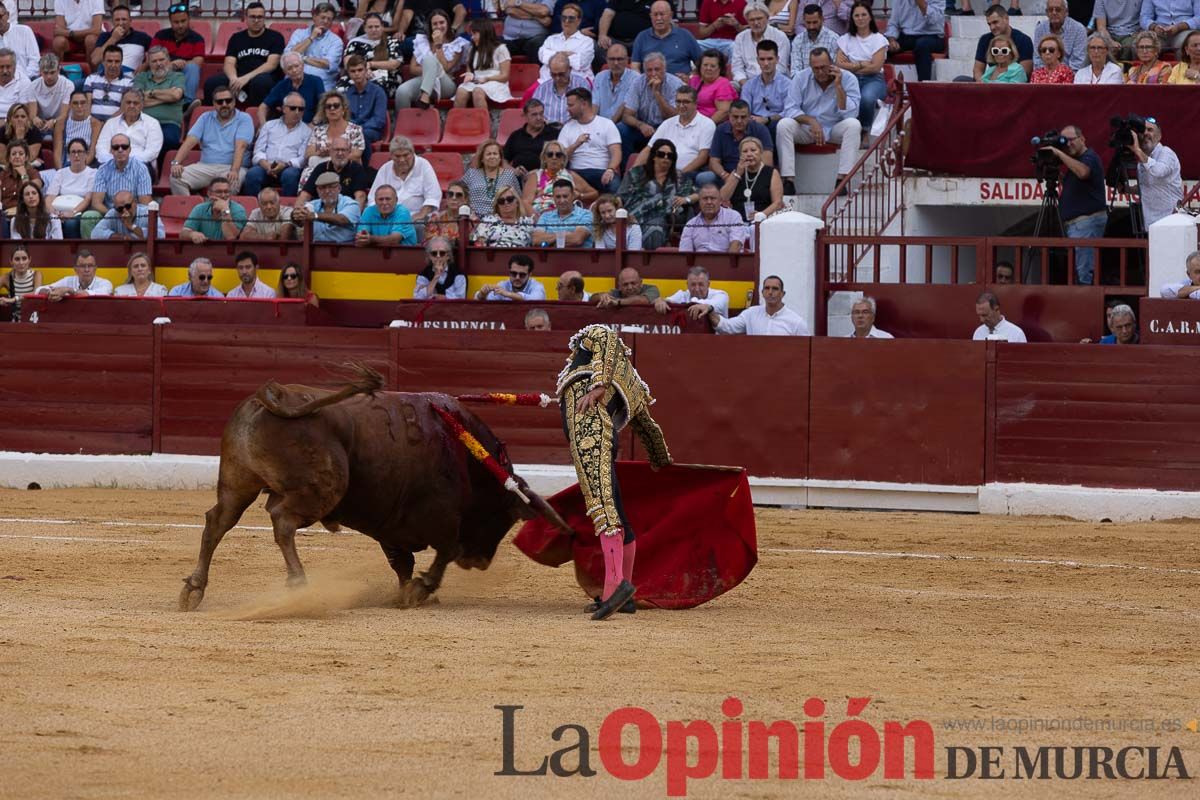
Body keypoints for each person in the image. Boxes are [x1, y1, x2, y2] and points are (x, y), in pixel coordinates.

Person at [556, 323, 671, 619]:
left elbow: (605, 336)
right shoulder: (631, 381)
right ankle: (624, 594)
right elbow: (648, 426)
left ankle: (615, 587)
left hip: (588, 426)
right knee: (614, 507)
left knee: (601, 505)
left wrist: (599, 385)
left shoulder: (592, 337)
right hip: (605, 430)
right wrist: (661, 460)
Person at [776, 48, 861, 194]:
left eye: (823, 67)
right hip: (808, 129)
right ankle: (788, 180)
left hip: (835, 128)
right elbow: (790, 109)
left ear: (832, 64)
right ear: (810, 67)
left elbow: (851, 113)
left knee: (854, 125)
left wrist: (838, 86)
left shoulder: (848, 78)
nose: (820, 72)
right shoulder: (801, 78)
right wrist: (811, 121)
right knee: (784, 125)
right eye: (816, 68)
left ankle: (842, 180)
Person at [1037, 123, 1106, 285]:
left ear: (1082, 139)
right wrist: (1055, 173)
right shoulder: (1076, 161)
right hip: (1078, 224)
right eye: (1064, 141)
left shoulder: (1089, 157)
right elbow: (1074, 183)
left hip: (1086, 222)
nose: (1068, 144)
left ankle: (1086, 302)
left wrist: (1059, 153)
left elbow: (1083, 173)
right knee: (1078, 267)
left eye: (1071, 140)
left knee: (1084, 270)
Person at [169, 87, 253, 195]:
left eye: (228, 100)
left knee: (230, 182)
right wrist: (176, 163)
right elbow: (190, 141)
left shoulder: (244, 118)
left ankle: (218, 210)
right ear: (214, 103)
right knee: (176, 177)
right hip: (205, 166)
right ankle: (192, 211)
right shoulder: (205, 117)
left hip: (231, 167)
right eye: (219, 101)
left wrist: (234, 170)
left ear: (234, 101)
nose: (224, 104)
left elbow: (241, 146)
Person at [619, 138, 695, 249]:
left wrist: (686, 199)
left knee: (656, 226)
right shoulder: (636, 173)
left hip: (665, 220)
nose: (665, 158)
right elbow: (620, 197)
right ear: (654, 156)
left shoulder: (679, 177)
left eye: (670, 156)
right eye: (661, 154)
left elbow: (698, 194)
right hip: (637, 218)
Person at [205, 3, 284, 108]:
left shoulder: (275, 37)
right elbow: (229, 63)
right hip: (239, 77)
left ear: (264, 18)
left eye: (259, 17)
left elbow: (271, 65)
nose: (256, 20)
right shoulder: (236, 38)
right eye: (252, 17)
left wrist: (246, 78)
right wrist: (233, 79)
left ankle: (257, 118)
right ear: (245, 18)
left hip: (264, 77)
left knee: (260, 82)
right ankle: (211, 119)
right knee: (212, 83)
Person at [242, 93, 311, 199]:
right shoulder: (269, 126)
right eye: (293, 108)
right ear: (283, 109)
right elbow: (258, 151)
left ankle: (288, 210)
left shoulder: (306, 131)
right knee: (252, 174)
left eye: (301, 109)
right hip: (266, 166)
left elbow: (302, 158)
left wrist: (285, 164)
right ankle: (254, 210)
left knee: (290, 176)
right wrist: (266, 165)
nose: (297, 112)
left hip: (289, 168)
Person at [395, 9, 468, 109]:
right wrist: (430, 69)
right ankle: (404, 123)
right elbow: (412, 68)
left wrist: (439, 46)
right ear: (430, 26)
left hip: (445, 83)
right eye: (435, 24)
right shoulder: (422, 41)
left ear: (448, 23)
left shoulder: (457, 44)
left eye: (442, 22)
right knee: (401, 91)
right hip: (424, 80)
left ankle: (425, 96)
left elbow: (446, 68)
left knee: (430, 60)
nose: (438, 26)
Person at [639, 86, 715, 180]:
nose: (681, 105)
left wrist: (678, 174)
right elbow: (648, 149)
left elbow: (703, 157)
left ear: (695, 103)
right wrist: (632, 172)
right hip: (661, 172)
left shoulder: (707, 124)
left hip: (689, 173)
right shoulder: (667, 123)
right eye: (678, 102)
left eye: (686, 102)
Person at [84, 133, 151, 238]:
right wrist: (117, 214)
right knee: (88, 217)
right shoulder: (102, 170)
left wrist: (128, 214)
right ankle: (89, 253)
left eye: (124, 147)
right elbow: (96, 203)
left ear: (130, 149)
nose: (120, 150)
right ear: (111, 150)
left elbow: (145, 203)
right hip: (110, 214)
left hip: (134, 214)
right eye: (116, 147)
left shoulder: (141, 169)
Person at [617, 52, 684, 157]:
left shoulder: (676, 84)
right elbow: (626, 116)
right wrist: (640, 125)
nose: (653, 74)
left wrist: (657, 93)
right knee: (622, 128)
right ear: (644, 71)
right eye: (649, 70)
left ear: (664, 69)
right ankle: (627, 169)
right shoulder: (638, 82)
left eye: (657, 69)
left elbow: (674, 116)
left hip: (668, 129)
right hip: (644, 127)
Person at [557, 87, 623, 194]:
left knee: (615, 184)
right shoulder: (567, 128)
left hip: (601, 171)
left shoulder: (606, 124)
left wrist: (610, 169)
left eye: (571, 105)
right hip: (576, 173)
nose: (567, 109)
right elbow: (560, 159)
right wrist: (576, 144)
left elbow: (616, 152)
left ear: (583, 104)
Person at [837, 1, 888, 135]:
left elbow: (875, 68)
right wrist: (862, 64)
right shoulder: (845, 39)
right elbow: (839, 64)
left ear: (870, 16)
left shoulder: (879, 39)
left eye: (864, 14)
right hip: (849, 79)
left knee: (867, 98)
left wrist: (851, 65)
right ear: (852, 18)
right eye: (857, 15)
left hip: (874, 80)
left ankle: (864, 131)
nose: (860, 18)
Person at [368, 135, 442, 223]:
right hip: (388, 218)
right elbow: (373, 199)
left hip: (416, 219)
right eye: (397, 156)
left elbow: (433, 197)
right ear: (391, 155)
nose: (402, 160)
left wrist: (420, 215)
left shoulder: (424, 165)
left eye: (406, 155)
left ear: (412, 152)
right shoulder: (385, 169)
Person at [299, 91, 365, 188]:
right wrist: (320, 152)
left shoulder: (355, 130)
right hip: (316, 171)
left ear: (343, 109)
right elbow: (308, 153)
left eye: (336, 105)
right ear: (324, 111)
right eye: (328, 106)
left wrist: (330, 154)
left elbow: (356, 155)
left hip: (344, 170)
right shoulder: (318, 130)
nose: (332, 109)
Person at [709, 275, 810, 334]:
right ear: (762, 293)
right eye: (767, 288)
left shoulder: (796, 322)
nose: (770, 292)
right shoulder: (751, 314)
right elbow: (727, 326)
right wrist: (709, 310)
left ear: (782, 294)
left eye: (775, 289)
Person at [524, 140, 597, 217]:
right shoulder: (535, 176)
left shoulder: (571, 175)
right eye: (550, 154)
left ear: (563, 159)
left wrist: (580, 196)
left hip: (567, 215)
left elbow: (594, 194)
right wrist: (538, 220)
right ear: (544, 158)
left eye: (558, 155)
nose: (554, 157)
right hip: (541, 215)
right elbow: (525, 202)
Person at [1131, 118, 1182, 229]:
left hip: (1171, 223)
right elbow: (1147, 186)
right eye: (1143, 130)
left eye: (1150, 130)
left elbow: (1158, 171)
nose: (1145, 133)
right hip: (1152, 225)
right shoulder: (1142, 161)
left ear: (1159, 136)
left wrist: (1137, 150)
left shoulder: (1166, 152)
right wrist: (1126, 189)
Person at [339, 13, 405, 99]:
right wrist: (363, 72)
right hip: (358, 74)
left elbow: (394, 64)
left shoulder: (392, 42)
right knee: (340, 90)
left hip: (386, 77)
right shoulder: (355, 42)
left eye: (377, 26)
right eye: (370, 27)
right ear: (364, 28)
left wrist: (370, 64)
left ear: (382, 27)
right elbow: (348, 63)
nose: (374, 30)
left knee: (373, 89)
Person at [151, 4, 205, 107]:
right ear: (170, 22)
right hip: (163, 72)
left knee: (193, 68)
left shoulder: (197, 39)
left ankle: (186, 104)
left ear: (189, 19)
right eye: (176, 22)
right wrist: (170, 65)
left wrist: (180, 64)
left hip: (184, 75)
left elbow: (198, 62)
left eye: (183, 21)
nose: (180, 25)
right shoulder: (160, 36)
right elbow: (152, 58)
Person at [134, 46, 186, 153]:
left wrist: (152, 93)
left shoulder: (177, 76)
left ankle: (160, 169)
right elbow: (137, 100)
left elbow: (176, 96)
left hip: (169, 123)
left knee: (168, 140)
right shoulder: (142, 77)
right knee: (135, 140)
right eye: (154, 61)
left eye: (161, 59)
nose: (158, 64)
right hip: (143, 122)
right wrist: (167, 97)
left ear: (168, 60)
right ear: (149, 63)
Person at [720, 135, 783, 220]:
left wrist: (761, 215)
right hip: (738, 222)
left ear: (761, 153)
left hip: (763, 220)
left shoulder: (771, 173)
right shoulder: (736, 172)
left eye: (753, 150)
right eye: (745, 151)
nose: (749, 154)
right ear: (740, 155)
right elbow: (722, 198)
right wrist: (738, 174)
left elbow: (778, 203)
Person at [632, 1, 702, 76]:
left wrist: (690, 78)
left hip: (680, 85)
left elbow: (701, 63)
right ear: (650, 16)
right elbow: (635, 66)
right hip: (650, 84)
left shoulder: (685, 35)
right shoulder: (642, 37)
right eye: (655, 15)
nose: (658, 18)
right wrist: (641, 84)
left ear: (671, 15)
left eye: (662, 14)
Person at [284, 2, 343, 92]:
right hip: (294, 82)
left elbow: (327, 64)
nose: (326, 21)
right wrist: (311, 38)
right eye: (323, 17)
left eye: (329, 19)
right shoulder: (299, 33)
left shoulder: (336, 41)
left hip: (321, 85)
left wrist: (302, 58)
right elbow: (288, 56)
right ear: (314, 17)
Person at [456, 17, 513, 108]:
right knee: (460, 91)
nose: (472, 37)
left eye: (474, 34)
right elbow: (469, 69)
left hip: (496, 82)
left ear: (484, 33)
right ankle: (458, 121)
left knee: (478, 92)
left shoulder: (501, 49)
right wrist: (469, 74)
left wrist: (487, 79)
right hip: (477, 81)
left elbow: (505, 76)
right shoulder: (472, 49)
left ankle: (482, 122)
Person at [95, 90, 163, 168]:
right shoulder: (111, 123)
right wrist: (113, 162)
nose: (131, 106)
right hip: (111, 165)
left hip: (140, 166)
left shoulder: (152, 123)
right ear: (122, 104)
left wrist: (128, 162)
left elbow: (152, 152)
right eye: (128, 102)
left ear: (142, 105)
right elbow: (101, 148)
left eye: (135, 103)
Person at [884, 0, 946, 82]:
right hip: (908, 35)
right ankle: (884, 85)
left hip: (932, 35)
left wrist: (920, 2)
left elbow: (933, 20)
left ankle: (923, 87)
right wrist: (892, 40)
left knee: (922, 45)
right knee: (882, 44)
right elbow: (893, 23)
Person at [46, 137, 95, 238]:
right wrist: (54, 213)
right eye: (73, 152)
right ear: (68, 155)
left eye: (80, 152)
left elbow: (88, 199)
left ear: (86, 154)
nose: (76, 155)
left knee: (70, 224)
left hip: (80, 211)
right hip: (58, 211)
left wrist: (72, 213)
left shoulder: (93, 173)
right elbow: (50, 197)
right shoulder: (61, 173)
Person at [293, 170, 361, 243]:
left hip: (345, 249)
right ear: (317, 190)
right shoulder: (313, 204)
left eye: (331, 187)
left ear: (339, 188)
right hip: (315, 249)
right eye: (322, 188)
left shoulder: (351, 204)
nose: (327, 191)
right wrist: (296, 215)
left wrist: (315, 216)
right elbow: (298, 221)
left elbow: (342, 219)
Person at [732, 1, 791, 85]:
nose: (756, 23)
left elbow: (780, 67)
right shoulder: (741, 38)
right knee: (731, 86)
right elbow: (737, 68)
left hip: (774, 81)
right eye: (752, 20)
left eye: (759, 18)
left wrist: (760, 85)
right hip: (747, 82)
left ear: (767, 18)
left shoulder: (780, 36)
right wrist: (746, 84)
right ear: (747, 21)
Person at [742, 41, 791, 141]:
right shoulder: (749, 85)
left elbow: (789, 111)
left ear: (777, 59)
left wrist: (767, 120)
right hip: (755, 121)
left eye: (770, 59)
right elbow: (745, 110)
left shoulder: (787, 84)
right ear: (757, 60)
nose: (766, 63)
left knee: (776, 126)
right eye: (762, 59)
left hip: (776, 122)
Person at [259, 53, 325, 126]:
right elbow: (263, 107)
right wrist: (263, 126)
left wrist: (313, 123)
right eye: (289, 68)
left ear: (302, 66)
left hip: (310, 125)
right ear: (285, 72)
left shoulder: (316, 81)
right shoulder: (281, 85)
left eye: (297, 66)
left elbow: (323, 105)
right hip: (287, 127)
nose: (294, 70)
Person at [680, 183, 748, 252]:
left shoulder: (733, 216)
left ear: (720, 201)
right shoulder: (690, 225)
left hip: (726, 261)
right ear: (699, 202)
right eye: (705, 199)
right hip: (700, 262)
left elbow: (736, 245)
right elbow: (685, 254)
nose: (709, 202)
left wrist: (726, 262)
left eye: (713, 198)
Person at [463, 138, 522, 218]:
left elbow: (518, 199)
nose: (492, 157)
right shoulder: (471, 173)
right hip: (474, 218)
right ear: (482, 158)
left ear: (500, 157)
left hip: (500, 219)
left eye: (495, 154)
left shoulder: (509, 175)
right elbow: (460, 195)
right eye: (488, 154)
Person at [973, 5, 1033, 81]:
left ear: (1006, 19)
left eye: (995, 22)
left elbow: (1025, 73)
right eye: (989, 24)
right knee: (961, 79)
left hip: (1013, 85)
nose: (992, 27)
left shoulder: (1023, 40)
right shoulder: (985, 40)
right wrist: (983, 85)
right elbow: (978, 70)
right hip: (988, 85)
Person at [341, 57, 388, 153]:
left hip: (372, 131)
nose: (357, 73)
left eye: (360, 70)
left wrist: (358, 129)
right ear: (349, 74)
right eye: (353, 71)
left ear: (366, 71)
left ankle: (365, 166)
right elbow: (346, 117)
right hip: (351, 131)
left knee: (363, 135)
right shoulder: (347, 94)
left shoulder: (378, 92)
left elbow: (379, 120)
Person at [539, 2, 595, 82]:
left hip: (576, 83)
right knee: (528, 94)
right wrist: (566, 55)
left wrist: (553, 55)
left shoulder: (587, 41)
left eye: (571, 18)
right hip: (547, 81)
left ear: (578, 21)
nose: (566, 21)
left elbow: (580, 63)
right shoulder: (551, 39)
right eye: (563, 18)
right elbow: (542, 56)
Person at [504, 98, 561, 175]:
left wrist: (539, 173)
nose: (539, 118)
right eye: (534, 114)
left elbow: (561, 160)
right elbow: (503, 160)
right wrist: (513, 171)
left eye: (541, 113)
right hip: (518, 178)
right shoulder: (516, 135)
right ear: (525, 116)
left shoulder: (554, 134)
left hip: (545, 177)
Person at [181, 178, 248, 243]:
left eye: (226, 192)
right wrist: (192, 234)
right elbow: (183, 234)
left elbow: (231, 237)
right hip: (204, 250)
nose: (223, 195)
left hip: (229, 252)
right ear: (209, 194)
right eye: (219, 192)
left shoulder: (239, 210)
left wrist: (225, 210)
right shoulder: (199, 208)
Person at [532, 178, 593, 248]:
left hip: (579, 258)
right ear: (553, 198)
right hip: (550, 258)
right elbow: (536, 240)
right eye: (558, 197)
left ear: (573, 196)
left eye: (565, 196)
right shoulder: (545, 216)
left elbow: (577, 239)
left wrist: (548, 241)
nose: (562, 200)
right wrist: (564, 236)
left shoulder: (586, 214)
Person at [91, 4, 151, 75]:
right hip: (105, 76)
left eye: (124, 19)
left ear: (130, 21)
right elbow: (95, 60)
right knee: (75, 84)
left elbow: (157, 52)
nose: (120, 23)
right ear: (112, 21)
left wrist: (146, 65)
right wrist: (113, 39)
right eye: (117, 20)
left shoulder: (142, 37)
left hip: (129, 78)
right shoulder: (105, 36)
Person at [532, 52, 590, 125]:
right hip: (548, 130)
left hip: (576, 128)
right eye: (553, 74)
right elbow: (533, 111)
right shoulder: (542, 89)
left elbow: (588, 111)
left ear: (570, 69)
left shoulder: (582, 84)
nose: (557, 78)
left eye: (561, 74)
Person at [654, 265, 729, 318]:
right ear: (687, 285)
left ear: (708, 284)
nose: (697, 289)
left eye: (701, 284)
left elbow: (716, 305)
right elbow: (667, 300)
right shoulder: (683, 294)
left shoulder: (721, 295)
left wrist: (701, 305)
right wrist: (660, 300)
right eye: (693, 284)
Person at [89, 188, 166, 240]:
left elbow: (161, 234)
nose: (125, 210)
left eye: (128, 206)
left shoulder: (147, 212)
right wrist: (121, 237)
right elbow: (95, 233)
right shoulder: (113, 213)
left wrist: (132, 226)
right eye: (120, 209)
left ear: (135, 202)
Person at [37, 249, 113, 300]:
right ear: (75, 269)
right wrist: (50, 292)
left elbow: (89, 294)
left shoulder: (105, 283)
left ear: (95, 268)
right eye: (82, 266)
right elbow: (39, 290)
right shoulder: (67, 281)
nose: (87, 270)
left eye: (90, 266)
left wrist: (68, 290)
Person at [82, 47, 133, 124]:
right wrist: (95, 123)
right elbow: (87, 105)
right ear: (103, 62)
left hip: (116, 125)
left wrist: (108, 124)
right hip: (92, 123)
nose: (113, 65)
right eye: (109, 61)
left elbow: (124, 109)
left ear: (121, 62)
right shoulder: (91, 78)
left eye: (117, 61)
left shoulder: (129, 82)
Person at [1031, 0, 1086, 71]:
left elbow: (1078, 62)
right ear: (1046, 13)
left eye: (1058, 9)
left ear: (1066, 12)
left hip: (1069, 77)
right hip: (1045, 76)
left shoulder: (1078, 29)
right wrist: (1047, 76)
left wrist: (1060, 76)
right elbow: (1038, 59)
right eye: (1050, 10)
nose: (1054, 13)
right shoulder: (1040, 29)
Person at [53, 91, 102, 169]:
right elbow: (57, 152)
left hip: (86, 165)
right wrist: (61, 171)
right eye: (75, 103)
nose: (79, 106)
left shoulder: (95, 123)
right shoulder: (62, 123)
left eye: (82, 103)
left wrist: (79, 169)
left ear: (87, 104)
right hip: (66, 164)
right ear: (70, 105)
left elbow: (92, 152)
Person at [592, 44, 636, 127]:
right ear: (606, 60)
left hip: (621, 124)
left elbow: (624, 106)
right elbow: (595, 104)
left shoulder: (635, 78)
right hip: (600, 124)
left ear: (627, 60)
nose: (616, 63)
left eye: (620, 59)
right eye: (612, 59)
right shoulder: (599, 77)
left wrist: (609, 127)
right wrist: (592, 125)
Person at [29, 56, 72, 140]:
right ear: (40, 72)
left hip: (60, 122)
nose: (49, 76)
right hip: (41, 123)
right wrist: (35, 119)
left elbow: (64, 114)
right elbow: (32, 114)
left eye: (52, 72)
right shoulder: (33, 86)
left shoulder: (68, 85)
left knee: (61, 124)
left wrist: (54, 121)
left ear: (58, 71)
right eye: (45, 73)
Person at [690, 50, 738, 124]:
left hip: (711, 125)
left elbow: (723, 112)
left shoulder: (723, 84)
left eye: (713, 66)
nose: (708, 68)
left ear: (720, 68)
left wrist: (704, 126)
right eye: (705, 65)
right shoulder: (694, 80)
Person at [792, 3, 840, 77]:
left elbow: (833, 69)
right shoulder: (798, 40)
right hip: (803, 84)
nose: (811, 27)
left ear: (822, 20)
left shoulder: (834, 39)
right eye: (808, 23)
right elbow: (795, 71)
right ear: (803, 21)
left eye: (815, 22)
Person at [475, 253, 547, 300]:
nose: (517, 277)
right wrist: (482, 294)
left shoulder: (537, 286)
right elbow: (487, 302)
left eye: (522, 275)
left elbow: (536, 299)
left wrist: (508, 294)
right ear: (509, 272)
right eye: (514, 273)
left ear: (530, 274)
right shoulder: (503, 285)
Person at [423, 179, 472, 245]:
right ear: (447, 197)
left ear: (465, 199)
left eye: (459, 195)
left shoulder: (472, 221)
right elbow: (430, 243)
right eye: (450, 194)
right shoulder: (436, 219)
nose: (454, 198)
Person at [1, 245, 40, 320]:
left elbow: (36, 293)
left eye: (24, 258)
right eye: (17, 259)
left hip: (33, 320)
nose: (21, 263)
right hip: (15, 322)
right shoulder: (6, 277)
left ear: (29, 260)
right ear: (11, 261)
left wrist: (14, 299)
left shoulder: (36, 274)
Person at [0, 142, 40, 214]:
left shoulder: (33, 173)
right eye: (14, 154)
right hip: (5, 214)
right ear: (9, 158)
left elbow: (32, 192)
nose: (17, 156)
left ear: (26, 157)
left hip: (25, 213)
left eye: (21, 154)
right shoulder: (2, 175)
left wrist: (24, 175)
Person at [0, 8, 40, 81]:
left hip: (26, 80)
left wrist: (22, 79)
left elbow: (35, 61)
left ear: (7, 15)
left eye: (0, 16)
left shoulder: (24, 31)